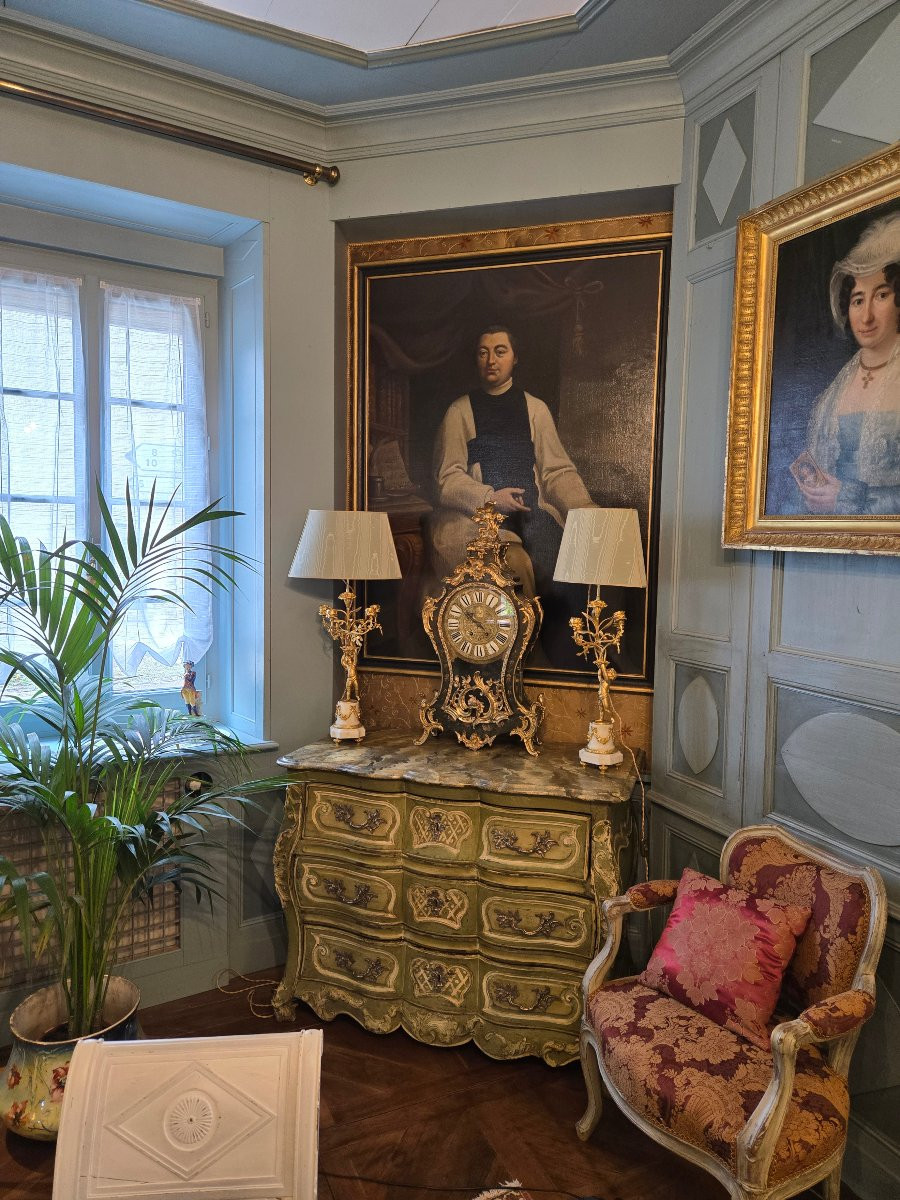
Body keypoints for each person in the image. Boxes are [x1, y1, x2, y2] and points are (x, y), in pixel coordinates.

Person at [430, 324, 594, 597]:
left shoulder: (535, 408)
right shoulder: (459, 411)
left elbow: (557, 471)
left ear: (514, 358)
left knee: (565, 569)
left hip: (533, 514)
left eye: (500, 351)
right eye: (483, 353)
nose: (491, 361)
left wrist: (584, 508)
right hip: (478, 520)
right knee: (514, 571)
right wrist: (490, 498)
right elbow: (447, 478)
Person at [795, 213, 900, 515]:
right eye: (857, 300)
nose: (866, 316)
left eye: (881, 295)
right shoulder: (837, 386)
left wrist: (848, 499)